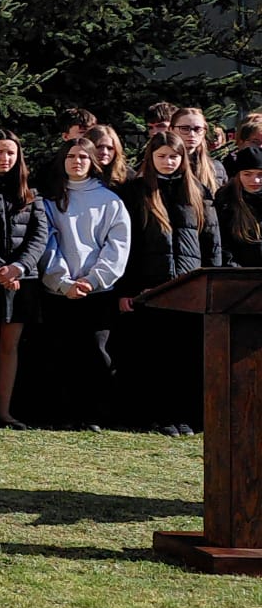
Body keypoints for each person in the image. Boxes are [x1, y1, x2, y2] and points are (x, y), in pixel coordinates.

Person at [116, 130, 220, 433]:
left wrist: (212, 286)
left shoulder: (197, 191)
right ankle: (157, 416)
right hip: (151, 287)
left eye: (174, 156)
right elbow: (127, 245)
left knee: (186, 356)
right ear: (151, 157)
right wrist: (127, 289)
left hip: (190, 288)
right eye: (162, 156)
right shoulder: (136, 192)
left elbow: (211, 242)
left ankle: (185, 416)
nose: (168, 161)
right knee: (155, 356)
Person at [38, 136, 131, 429]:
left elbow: (117, 246)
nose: (76, 162)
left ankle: (95, 415)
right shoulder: (49, 200)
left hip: (98, 291)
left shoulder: (110, 201)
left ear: (92, 162)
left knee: (96, 353)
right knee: (61, 352)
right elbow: (46, 243)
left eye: (83, 157)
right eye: (71, 156)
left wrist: (93, 280)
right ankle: (63, 414)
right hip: (59, 291)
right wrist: (63, 282)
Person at [0, 130, 49, 429]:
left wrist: (18, 267)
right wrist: (0, 268)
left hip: (22, 279)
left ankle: (4, 411)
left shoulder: (30, 192)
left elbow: (39, 236)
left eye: (10, 153)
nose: (5, 158)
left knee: (9, 346)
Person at [219, 146, 262, 266]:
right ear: (238, 176)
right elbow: (222, 245)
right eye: (247, 174)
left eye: (260, 174)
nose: (255, 180)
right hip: (240, 273)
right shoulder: (226, 203)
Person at [172, 105, 226, 192]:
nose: (192, 134)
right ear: (171, 129)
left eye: (198, 129)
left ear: (204, 132)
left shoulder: (216, 168)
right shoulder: (163, 165)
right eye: (184, 129)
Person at [87, 123, 131, 190]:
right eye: (98, 147)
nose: (104, 152)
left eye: (110, 148)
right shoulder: (75, 174)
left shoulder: (127, 177)